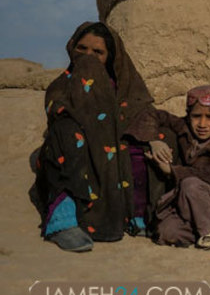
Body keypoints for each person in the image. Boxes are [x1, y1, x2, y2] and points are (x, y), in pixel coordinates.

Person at [31, 21, 161, 252]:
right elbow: (58, 112)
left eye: (97, 52)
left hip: (111, 153)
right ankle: (63, 221)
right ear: (72, 48)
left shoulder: (122, 85)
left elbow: (140, 109)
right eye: (82, 49)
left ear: (110, 56)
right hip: (78, 150)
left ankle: (137, 217)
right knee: (67, 134)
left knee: (144, 147)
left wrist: (152, 136)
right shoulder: (61, 85)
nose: (88, 56)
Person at [127, 85, 210, 249]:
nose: (202, 123)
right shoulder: (183, 128)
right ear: (188, 115)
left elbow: (207, 176)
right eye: (196, 116)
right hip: (183, 203)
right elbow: (151, 115)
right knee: (166, 232)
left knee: (190, 184)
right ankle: (205, 234)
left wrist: (170, 171)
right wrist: (154, 140)